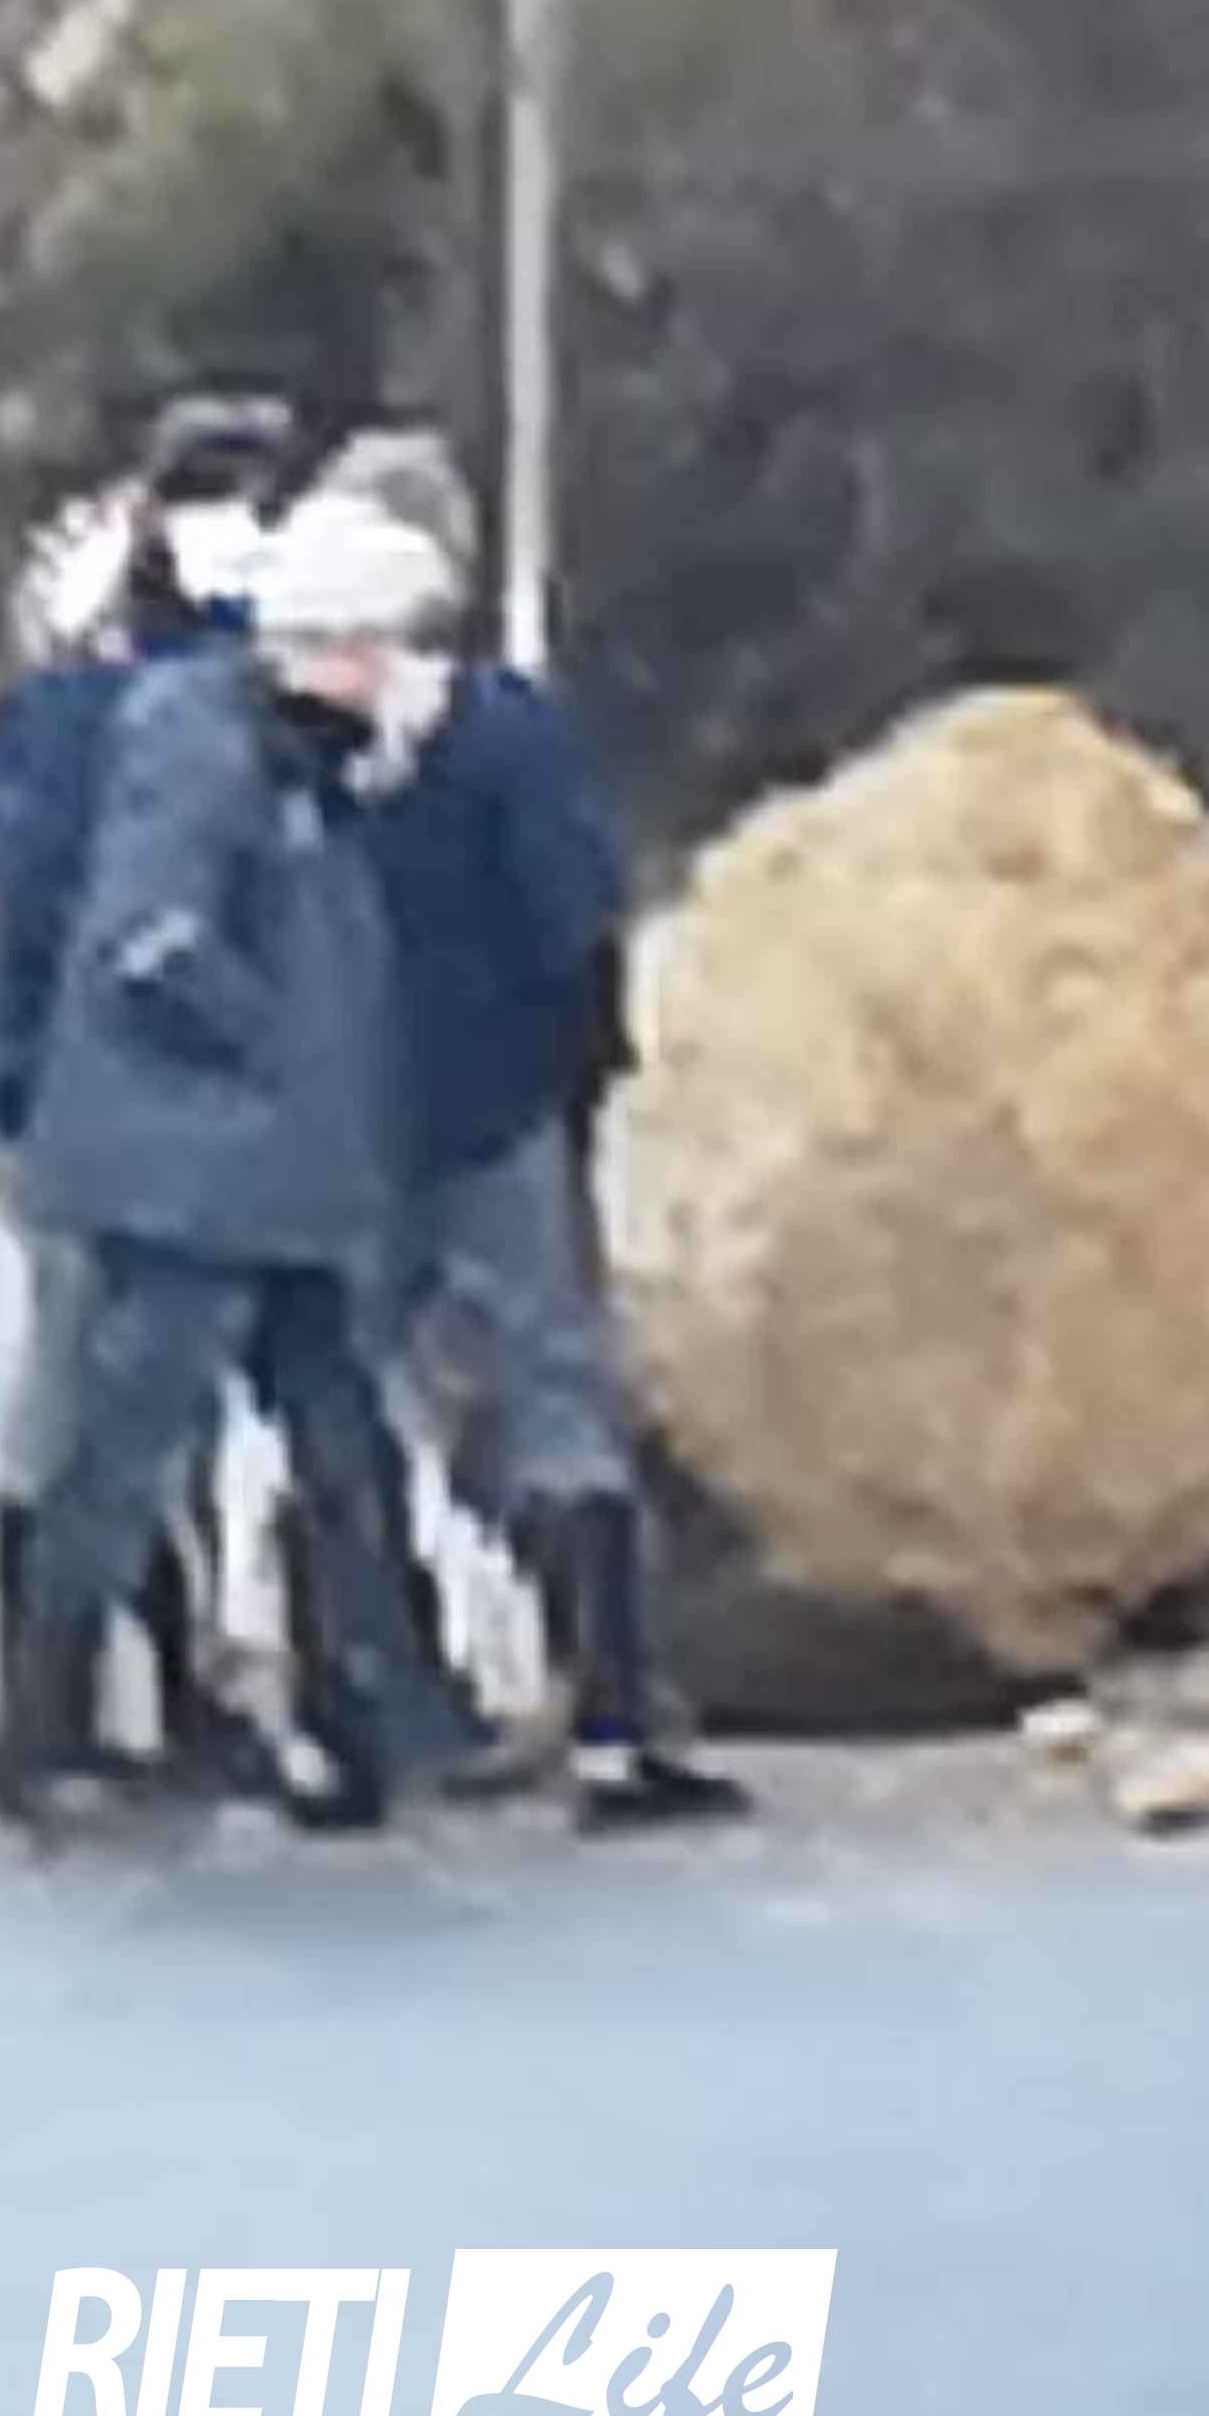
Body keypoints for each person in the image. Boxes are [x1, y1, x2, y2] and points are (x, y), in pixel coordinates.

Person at [0, 492, 488, 1837]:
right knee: (124, 1458)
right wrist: (281, 1053)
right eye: (399, 646)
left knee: (341, 1444)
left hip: (276, 1183)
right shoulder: (206, 751)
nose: (415, 677)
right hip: (189, 1189)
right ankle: (42, 1729)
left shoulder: (301, 764)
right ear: (341, 645)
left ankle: (369, 1719)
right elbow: (151, 942)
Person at [299, 427, 748, 1832]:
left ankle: (362, 1716)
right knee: (552, 1385)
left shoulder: (288, 743)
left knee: (348, 1392)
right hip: (495, 1103)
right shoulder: (502, 731)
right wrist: (589, 1067)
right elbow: (574, 918)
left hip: (339, 1120)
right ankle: (613, 1713)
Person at [0, 396, 308, 1790]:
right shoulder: (168, 700)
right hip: (128, 1080)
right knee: (102, 1401)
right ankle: (66, 1707)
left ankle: (116, 1696)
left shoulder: (84, 686)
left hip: (88, 1078)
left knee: (119, 1403)